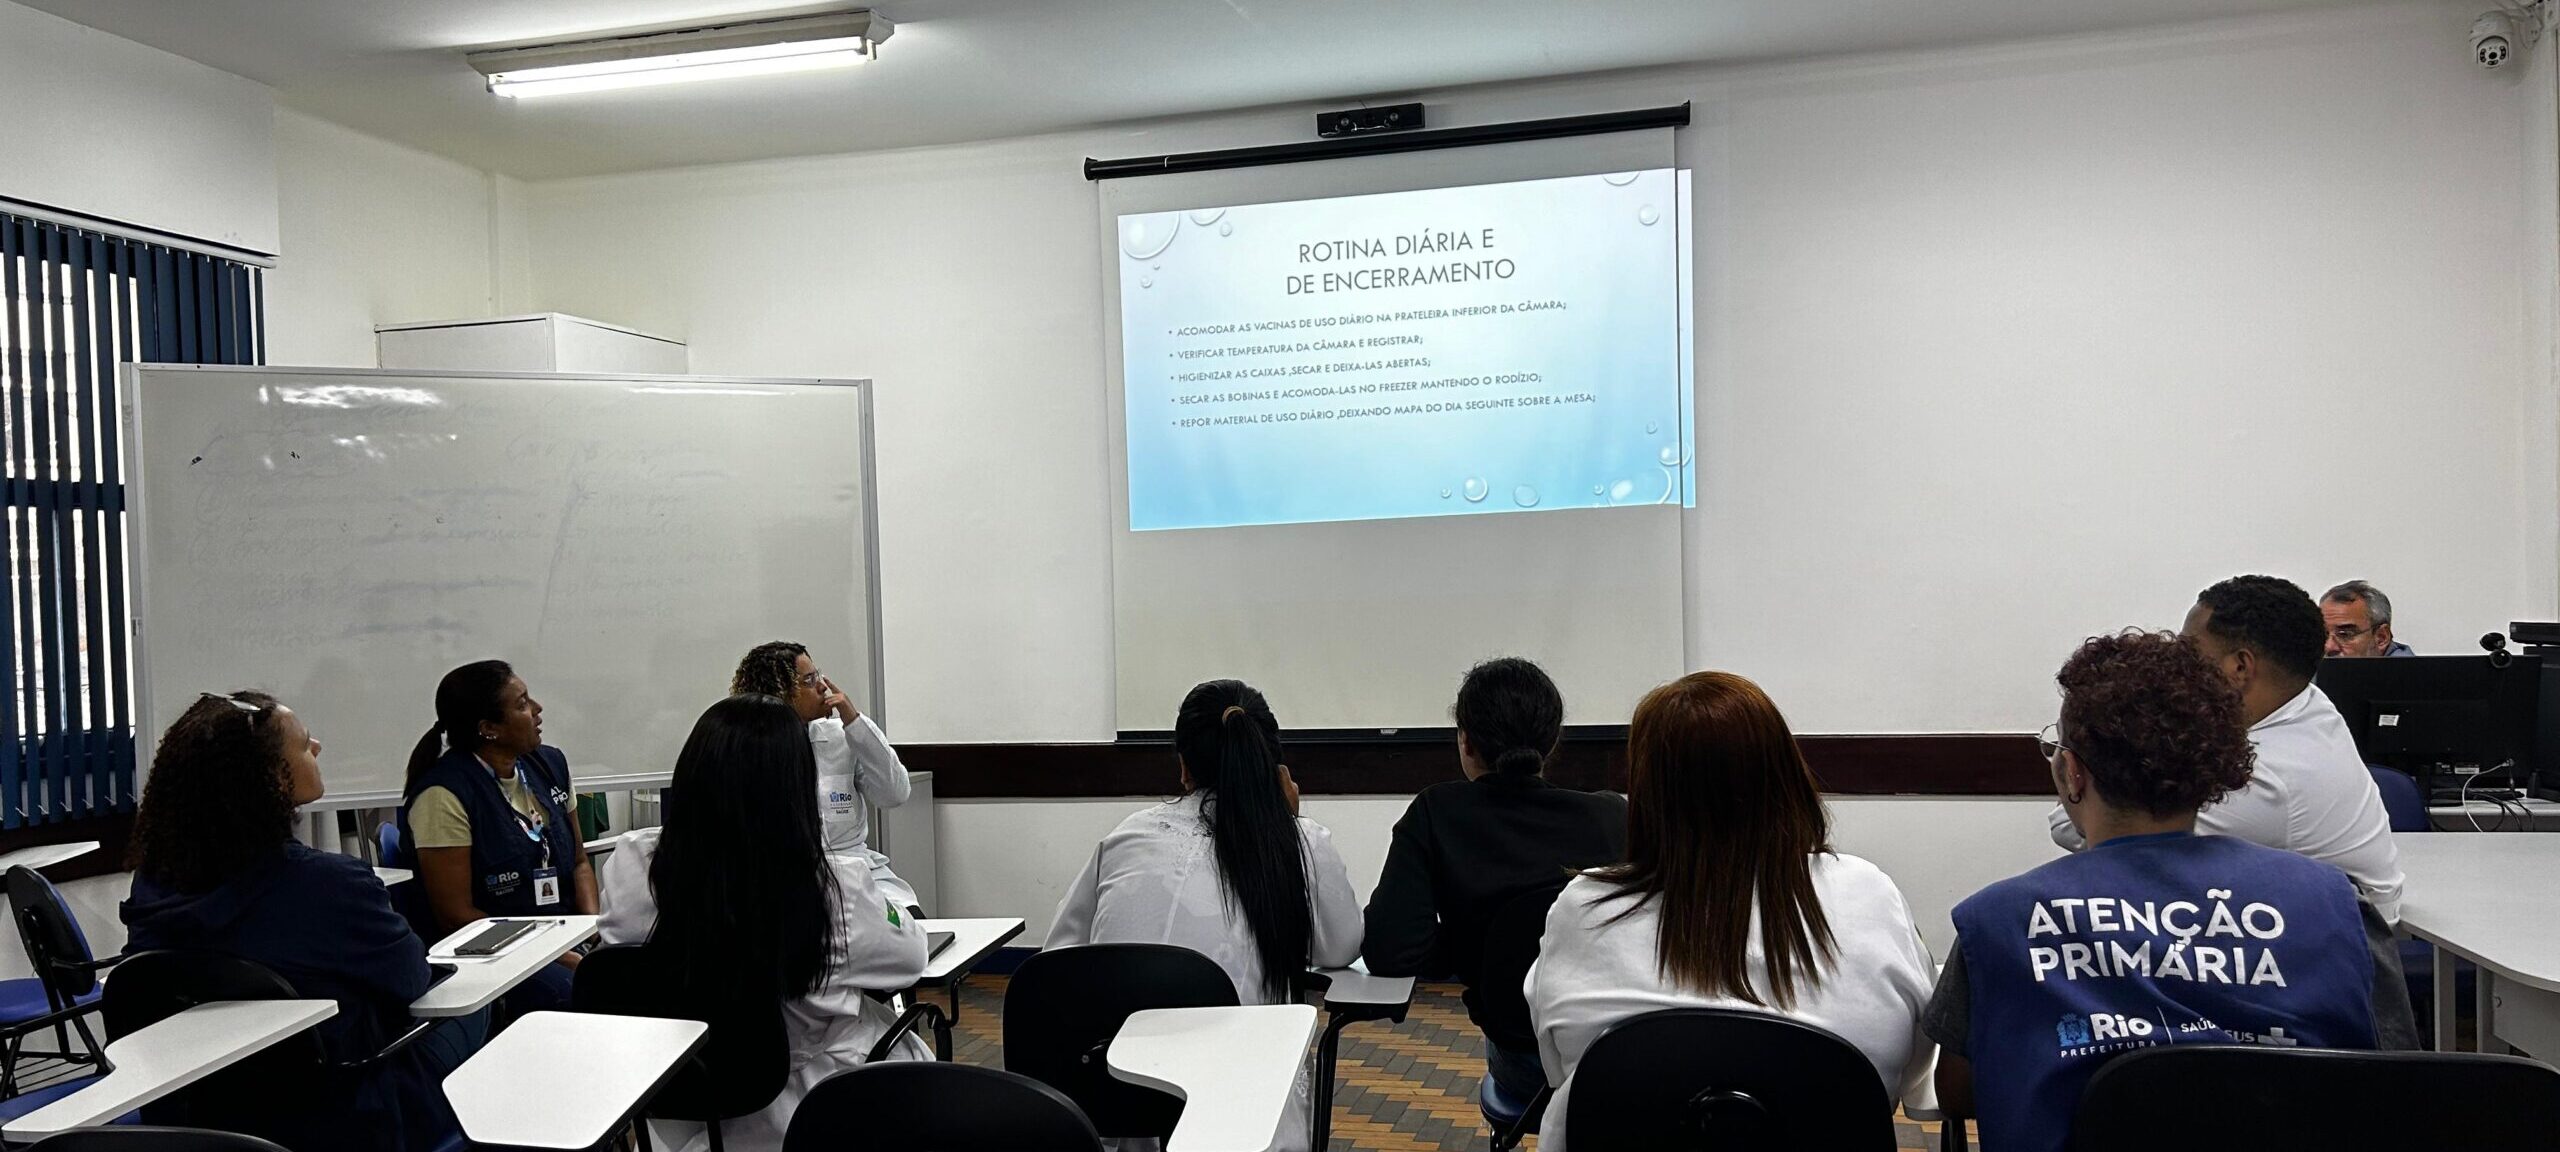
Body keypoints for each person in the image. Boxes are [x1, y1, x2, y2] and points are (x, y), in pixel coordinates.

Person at [1932, 632, 2404, 1152]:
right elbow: (2391, 1072)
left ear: (2072, 775)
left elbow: (1958, 1095)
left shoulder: (1998, 920)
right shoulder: (2335, 902)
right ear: (2214, 771)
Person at [1526, 672, 1933, 1152]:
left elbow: (1560, 1067)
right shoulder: (1869, 892)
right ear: (1783, 772)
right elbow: (1913, 1064)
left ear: (1649, 792)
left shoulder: (1585, 906)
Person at [123, 692, 482, 1152]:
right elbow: (411, 978)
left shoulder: (153, 885)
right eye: (305, 742)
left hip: (204, 1119)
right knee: (487, 1005)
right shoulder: (330, 884)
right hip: (348, 1109)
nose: (318, 748)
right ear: (272, 777)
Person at [598, 694, 929, 1152]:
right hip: (806, 1112)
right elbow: (909, 960)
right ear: (797, 783)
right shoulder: (833, 887)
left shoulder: (634, 865)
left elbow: (626, 960)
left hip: (677, 1102)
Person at [1047, 679, 1363, 1152]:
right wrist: (1292, 823)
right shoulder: (1300, 842)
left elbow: (1059, 959)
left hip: (1111, 1105)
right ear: (1274, 767)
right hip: (1241, 1116)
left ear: (1183, 767)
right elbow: (1340, 948)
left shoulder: (1126, 837)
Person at [1362, 657, 1625, 1129]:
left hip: (1526, 1064)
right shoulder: (1611, 816)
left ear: (1465, 741)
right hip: (1624, 1057)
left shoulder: (1437, 813)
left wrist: (1475, 953)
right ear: (1552, 739)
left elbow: (1391, 951)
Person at [2048, 575, 2403, 921]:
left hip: (2332, 953)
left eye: (2190, 652)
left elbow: (2092, 833)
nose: (2179, 668)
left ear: (2239, 667)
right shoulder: (2305, 701)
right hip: (2311, 923)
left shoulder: (2271, 779)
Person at [398, 660, 597, 1012]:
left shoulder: (550, 764)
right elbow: (455, 915)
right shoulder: (443, 795)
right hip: (492, 955)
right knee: (584, 994)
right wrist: (557, 954)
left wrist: (595, 933)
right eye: (521, 704)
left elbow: (579, 862)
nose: (537, 709)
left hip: (567, 934)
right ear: (489, 728)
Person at [731, 641, 917, 911]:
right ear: (780, 692)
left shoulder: (842, 736)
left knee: (911, 923)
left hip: (855, 875)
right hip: (783, 884)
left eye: (817, 675)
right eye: (809, 681)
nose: (823, 687)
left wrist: (854, 722)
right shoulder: (746, 752)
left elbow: (895, 794)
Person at [2323, 579, 2415, 657]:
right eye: (2322, 635)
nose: (2329, 647)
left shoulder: (2413, 676)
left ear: (2381, 638)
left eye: (2344, 634)